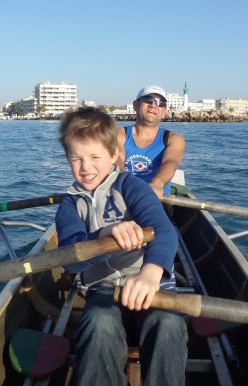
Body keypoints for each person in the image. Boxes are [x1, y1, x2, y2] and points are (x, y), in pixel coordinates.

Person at [55, 107, 187, 386]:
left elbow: (163, 230)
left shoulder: (131, 186)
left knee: (169, 323)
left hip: (152, 284)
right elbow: (69, 258)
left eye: (95, 157)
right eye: (76, 158)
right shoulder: (69, 204)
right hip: (103, 287)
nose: (86, 167)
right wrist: (106, 233)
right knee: (98, 324)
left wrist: (152, 273)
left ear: (114, 155)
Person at [117, 85, 185, 197]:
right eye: (148, 99)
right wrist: (128, 184)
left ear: (164, 112)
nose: (153, 105)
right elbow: (117, 158)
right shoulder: (118, 134)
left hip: (156, 198)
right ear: (135, 105)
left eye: (160, 103)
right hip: (123, 194)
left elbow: (171, 163)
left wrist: (157, 184)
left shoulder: (174, 139)